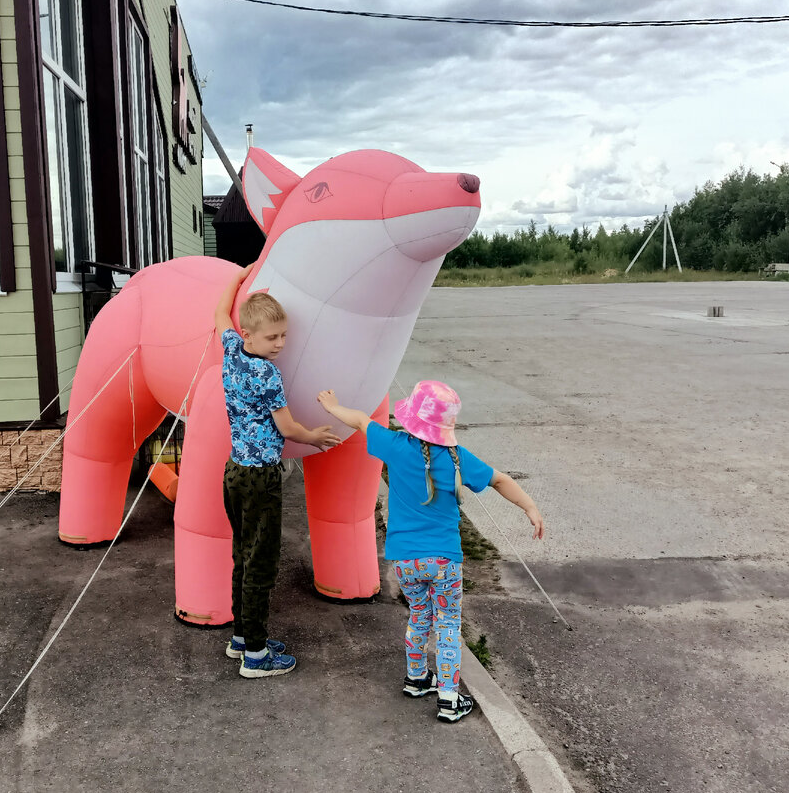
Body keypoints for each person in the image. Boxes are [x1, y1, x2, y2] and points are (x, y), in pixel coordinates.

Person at [317, 381, 544, 722]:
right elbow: (499, 480)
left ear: (410, 419)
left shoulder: (395, 446)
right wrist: (530, 507)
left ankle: (416, 677)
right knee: (449, 624)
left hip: (405, 559)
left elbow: (362, 421)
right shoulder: (456, 459)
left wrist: (333, 407)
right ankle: (450, 699)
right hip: (444, 560)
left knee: (420, 616)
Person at [215, 266, 341, 678]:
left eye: (283, 335)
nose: (280, 344)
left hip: (234, 472)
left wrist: (237, 280)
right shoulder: (268, 374)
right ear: (250, 334)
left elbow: (220, 315)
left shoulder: (232, 348)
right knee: (261, 562)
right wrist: (314, 436)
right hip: (259, 477)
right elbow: (287, 428)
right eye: (273, 337)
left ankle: (241, 637)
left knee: (242, 554)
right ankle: (256, 655)